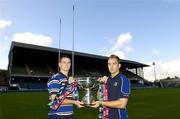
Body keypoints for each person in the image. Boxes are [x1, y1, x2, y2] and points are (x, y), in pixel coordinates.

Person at [91, 54, 131, 119]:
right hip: (106, 116)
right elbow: (99, 97)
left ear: (119, 65)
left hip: (119, 117)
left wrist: (101, 103)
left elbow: (122, 104)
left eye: (114, 64)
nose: (111, 67)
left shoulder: (123, 80)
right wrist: (100, 85)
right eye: (109, 64)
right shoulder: (107, 79)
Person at [47, 55, 83, 119]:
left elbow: (71, 96)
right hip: (57, 115)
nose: (66, 64)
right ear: (59, 64)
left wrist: (79, 101)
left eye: (68, 62)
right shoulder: (55, 78)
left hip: (69, 114)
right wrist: (74, 102)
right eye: (64, 62)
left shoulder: (70, 79)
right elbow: (54, 99)